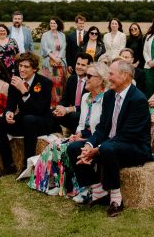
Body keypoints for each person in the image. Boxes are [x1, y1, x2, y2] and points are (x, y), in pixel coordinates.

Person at [68, 59, 154, 217]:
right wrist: (89, 144)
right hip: (112, 144)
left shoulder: (138, 100)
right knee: (74, 148)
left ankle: (116, 199)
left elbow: (127, 136)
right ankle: (98, 191)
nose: (108, 78)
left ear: (125, 76)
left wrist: (97, 149)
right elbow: (102, 128)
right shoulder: (109, 96)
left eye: (111, 74)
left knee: (107, 148)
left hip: (134, 148)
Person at [30, 62, 108, 197]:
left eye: (89, 75)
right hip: (84, 135)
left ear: (100, 80)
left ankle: (83, 188)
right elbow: (82, 123)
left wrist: (83, 139)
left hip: (97, 137)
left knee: (72, 148)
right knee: (55, 145)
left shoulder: (106, 98)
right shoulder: (85, 97)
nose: (85, 78)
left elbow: (103, 128)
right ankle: (56, 184)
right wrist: (77, 134)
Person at [0, 52, 55, 178]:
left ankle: (28, 165)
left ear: (34, 69)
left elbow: (40, 109)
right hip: (24, 121)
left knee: (28, 119)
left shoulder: (45, 82)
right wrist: (8, 113)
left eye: (26, 67)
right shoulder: (15, 81)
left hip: (42, 122)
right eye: (20, 66)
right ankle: (9, 165)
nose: (22, 69)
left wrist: (24, 91)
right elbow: (10, 105)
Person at [53, 54, 92, 132]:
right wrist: (59, 108)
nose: (79, 67)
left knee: (74, 116)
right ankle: (58, 134)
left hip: (86, 113)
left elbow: (88, 105)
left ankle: (76, 135)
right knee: (53, 112)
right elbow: (65, 99)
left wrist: (67, 109)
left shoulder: (91, 81)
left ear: (89, 67)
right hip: (72, 112)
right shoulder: (72, 79)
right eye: (78, 64)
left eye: (83, 65)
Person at [39, 17, 68, 107]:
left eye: (54, 23)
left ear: (58, 24)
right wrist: (54, 58)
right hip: (49, 63)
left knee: (59, 84)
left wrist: (58, 58)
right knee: (50, 83)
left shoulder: (62, 35)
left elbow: (63, 48)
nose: (52, 25)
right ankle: (49, 103)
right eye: (51, 23)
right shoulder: (45, 35)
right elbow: (45, 48)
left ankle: (59, 103)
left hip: (60, 62)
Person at [125, 22, 146, 92]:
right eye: (131, 29)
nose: (133, 30)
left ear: (139, 30)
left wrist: (137, 63)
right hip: (129, 63)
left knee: (138, 82)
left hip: (139, 63)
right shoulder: (129, 40)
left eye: (135, 29)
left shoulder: (142, 39)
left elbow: (143, 52)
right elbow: (127, 51)